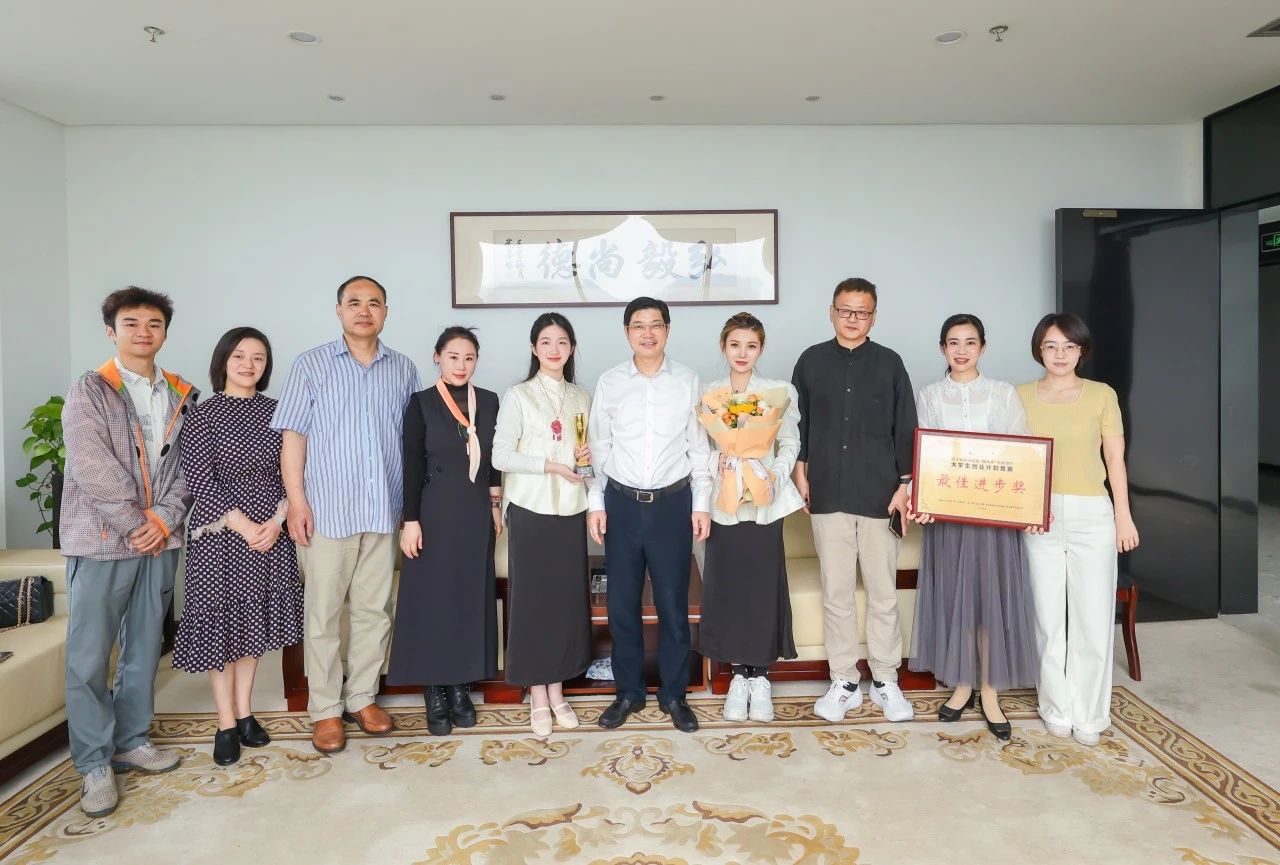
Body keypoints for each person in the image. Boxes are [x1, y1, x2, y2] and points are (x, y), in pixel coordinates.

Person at [60, 287, 196, 817]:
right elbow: (92, 466)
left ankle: (131, 740)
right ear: (111, 331)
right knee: (89, 656)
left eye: (154, 323)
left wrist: (161, 520)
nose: (144, 331)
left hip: (159, 539)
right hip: (101, 542)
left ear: (165, 332)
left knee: (144, 647)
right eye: (132, 323)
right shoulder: (90, 390)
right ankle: (94, 762)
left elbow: (187, 469)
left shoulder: (181, 393)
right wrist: (137, 524)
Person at [271, 275, 421, 754]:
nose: (364, 310)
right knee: (323, 614)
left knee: (375, 611)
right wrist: (296, 501)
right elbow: (293, 436)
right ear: (339, 310)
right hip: (327, 512)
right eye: (354, 302)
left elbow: (411, 442)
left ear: (386, 312)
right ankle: (325, 709)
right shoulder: (311, 365)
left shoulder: (403, 368)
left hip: (382, 511)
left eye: (374, 303)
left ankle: (361, 697)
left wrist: (410, 509)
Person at [173, 327, 304, 765]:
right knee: (220, 626)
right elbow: (199, 480)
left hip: (271, 531)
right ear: (223, 361)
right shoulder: (202, 415)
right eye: (240, 356)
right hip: (220, 535)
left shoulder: (279, 411)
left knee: (252, 624)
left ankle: (246, 713)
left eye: (258, 358)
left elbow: (292, 471)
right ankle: (225, 723)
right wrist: (244, 525)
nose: (249, 365)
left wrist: (278, 520)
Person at [906, 314, 1040, 741]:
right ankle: (962, 684)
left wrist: (1023, 505)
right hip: (949, 517)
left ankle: (991, 690)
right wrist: (922, 500)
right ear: (941, 348)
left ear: (983, 347)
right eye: (953, 342)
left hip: (993, 517)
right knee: (955, 600)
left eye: (969, 342)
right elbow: (924, 452)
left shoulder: (1002, 393)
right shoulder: (929, 395)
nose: (961, 350)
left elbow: (1021, 450)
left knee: (989, 601)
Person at [792, 277, 918, 723]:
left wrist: (905, 484)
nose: (852, 318)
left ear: (873, 317)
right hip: (828, 492)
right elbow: (797, 425)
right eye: (845, 310)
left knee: (883, 594)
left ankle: (885, 680)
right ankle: (844, 680)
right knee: (837, 594)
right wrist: (800, 470)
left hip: (881, 494)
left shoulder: (890, 363)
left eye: (862, 312)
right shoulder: (810, 361)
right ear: (832, 311)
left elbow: (906, 426)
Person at [587, 297, 712, 733]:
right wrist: (596, 502)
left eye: (655, 325)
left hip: (672, 504)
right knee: (622, 603)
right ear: (627, 333)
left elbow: (699, 448)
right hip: (621, 504)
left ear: (667, 330)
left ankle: (674, 694)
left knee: (672, 603)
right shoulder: (610, 382)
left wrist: (701, 504)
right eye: (638, 325)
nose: (647, 333)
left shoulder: (688, 381)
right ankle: (629, 692)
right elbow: (597, 447)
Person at [1018, 312, 1139, 746]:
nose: (1060, 354)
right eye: (1051, 346)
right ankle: (1055, 706)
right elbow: (1010, 458)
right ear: (1039, 350)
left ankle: (1090, 713)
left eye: (1069, 346)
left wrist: (1123, 516)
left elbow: (1115, 460)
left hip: (1093, 514)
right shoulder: (1019, 397)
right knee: (1047, 618)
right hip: (1039, 515)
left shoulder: (1102, 395)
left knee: (1092, 616)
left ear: (1081, 351)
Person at [390, 327, 502, 736]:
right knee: (432, 599)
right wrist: (410, 521)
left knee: (468, 597)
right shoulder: (421, 403)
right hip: (433, 512)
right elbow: (411, 465)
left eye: (469, 358)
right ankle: (434, 688)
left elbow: (495, 460)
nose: (461, 365)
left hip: (474, 512)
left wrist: (494, 506)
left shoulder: (488, 401)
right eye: (453, 356)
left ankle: (460, 685)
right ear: (437, 357)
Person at [491, 313, 593, 736]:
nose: (554, 349)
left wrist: (586, 461)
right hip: (531, 508)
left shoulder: (582, 396)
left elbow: (588, 452)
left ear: (571, 349)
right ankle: (537, 692)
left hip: (571, 508)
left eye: (562, 341)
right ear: (534, 348)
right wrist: (550, 465)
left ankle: (557, 689)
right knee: (533, 602)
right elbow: (500, 455)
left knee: (565, 602)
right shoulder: (518, 395)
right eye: (546, 341)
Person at [700, 312, 804, 723]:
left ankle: (760, 676)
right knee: (728, 585)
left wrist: (772, 474)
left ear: (761, 349)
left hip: (765, 500)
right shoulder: (709, 394)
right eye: (735, 345)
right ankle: (737, 677)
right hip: (723, 499)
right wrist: (719, 462)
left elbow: (790, 443)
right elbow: (697, 448)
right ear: (723, 347)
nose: (742, 353)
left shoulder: (779, 392)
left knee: (762, 586)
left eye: (751, 346)